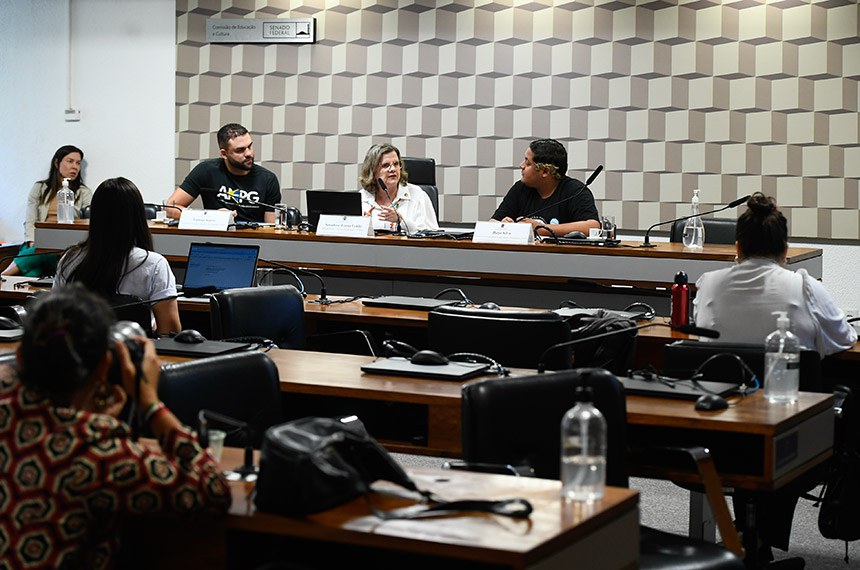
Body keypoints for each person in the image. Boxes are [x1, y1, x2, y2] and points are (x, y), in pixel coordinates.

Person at [0, 285, 231, 569]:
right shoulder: (97, 451)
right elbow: (213, 489)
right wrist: (149, 401)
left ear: (20, 357)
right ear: (104, 366)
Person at [694, 192, 856, 357]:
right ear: (785, 250)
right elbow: (844, 338)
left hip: (720, 382)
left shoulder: (708, 285)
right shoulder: (806, 288)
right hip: (787, 382)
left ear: (738, 248)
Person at [54, 177, 182, 336]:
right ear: (138, 217)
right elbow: (170, 333)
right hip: (132, 356)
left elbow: (56, 320)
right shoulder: (154, 264)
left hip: (79, 356)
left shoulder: (70, 259)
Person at [2, 145, 91, 277]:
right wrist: (33, 241)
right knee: (32, 274)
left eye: (78, 163)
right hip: (37, 243)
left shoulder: (84, 192)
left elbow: (87, 222)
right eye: (70, 161)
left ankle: (3, 276)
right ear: (57, 162)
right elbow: (30, 219)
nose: (75, 167)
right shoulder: (39, 188)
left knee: (36, 259)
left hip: (64, 248)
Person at [165, 123, 281, 223]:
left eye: (249, 146)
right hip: (215, 239)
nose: (249, 153)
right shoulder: (206, 171)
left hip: (253, 241)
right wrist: (211, 217)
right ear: (224, 154)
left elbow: (271, 229)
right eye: (240, 150)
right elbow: (170, 208)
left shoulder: (268, 179)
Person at [491, 139, 600, 237]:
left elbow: (592, 226)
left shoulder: (576, 191)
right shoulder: (520, 188)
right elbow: (493, 222)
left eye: (527, 163)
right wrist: (504, 226)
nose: (521, 165)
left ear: (545, 172)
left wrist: (541, 229)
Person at [358, 143, 439, 233]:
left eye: (396, 164)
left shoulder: (418, 195)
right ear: (372, 171)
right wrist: (362, 225)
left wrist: (401, 221)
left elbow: (431, 234)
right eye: (385, 165)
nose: (392, 169)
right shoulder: (361, 198)